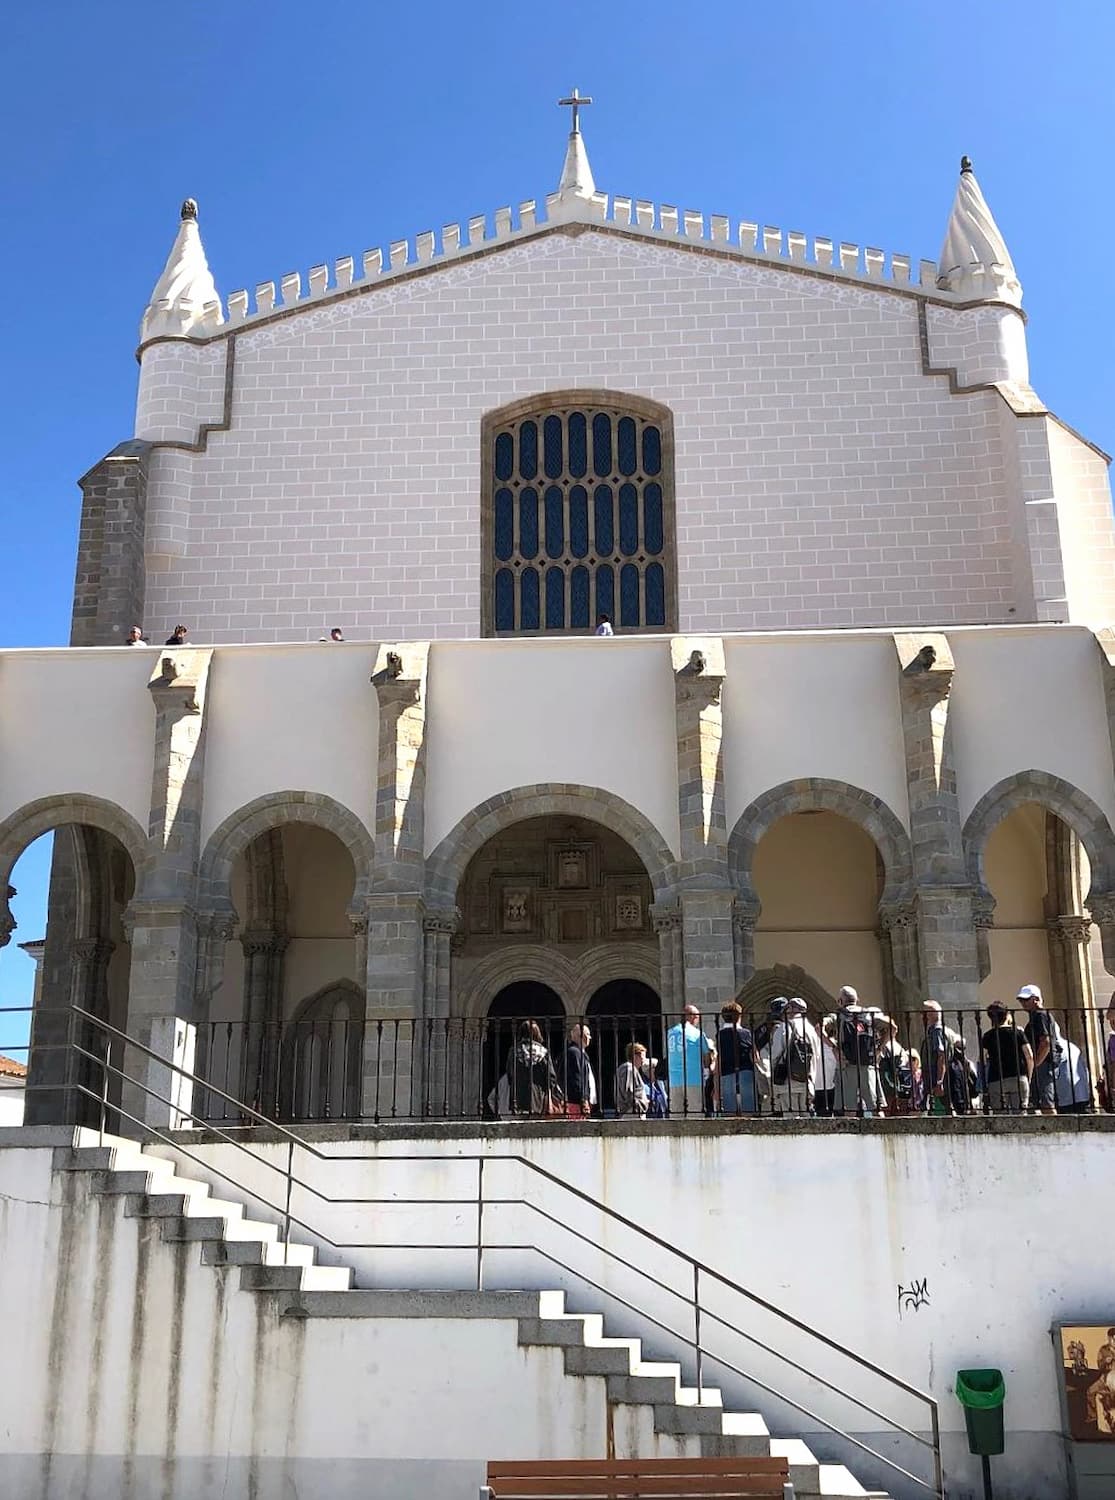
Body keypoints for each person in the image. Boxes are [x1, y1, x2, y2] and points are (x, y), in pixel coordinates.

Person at [832, 986, 883, 1116]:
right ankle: (882, 1131)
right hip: (867, 1064)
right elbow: (893, 1027)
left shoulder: (839, 1016)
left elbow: (819, 1027)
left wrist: (834, 1047)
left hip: (847, 1064)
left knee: (850, 1108)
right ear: (857, 999)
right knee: (876, 1107)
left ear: (840, 1001)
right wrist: (880, 1047)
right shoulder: (867, 1014)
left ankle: (851, 1135)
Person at [768, 997, 819, 1115]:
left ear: (790, 1009)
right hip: (807, 1080)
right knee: (806, 1119)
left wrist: (774, 1072)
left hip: (788, 1082)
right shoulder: (811, 1030)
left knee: (791, 1119)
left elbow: (775, 1055)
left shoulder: (784, 1028)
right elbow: (816, 1055)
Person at [980, 1003, 1032, 1114]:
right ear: (1007, 1014)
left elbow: (983, 1060)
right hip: (1018, 1076)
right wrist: (1029, 1077)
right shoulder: (1018, 1033)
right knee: (1021, 1115)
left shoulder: (988, 1036)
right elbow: (1029, 1056)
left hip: (996, 1078)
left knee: (1000, 1116)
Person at [666, 1004, 716, 1117]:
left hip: (674, 1080)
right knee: (695, 1114)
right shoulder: (697, 1033)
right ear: (692, 1017)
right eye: (698, 1017)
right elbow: (707, 1060)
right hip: (694, 1078)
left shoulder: (670, 1032)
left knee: (676, 1115)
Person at [504, 1020, 561, 1116]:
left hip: (518, 1097)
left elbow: (510, 1074)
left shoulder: (514, 1051)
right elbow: (550, 1078)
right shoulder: (543, 1052)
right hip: (537, 1098)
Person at [1018, 984, 1059, 1115]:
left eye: (1026, 1000)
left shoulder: (1040, 1016)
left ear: (1035, 999)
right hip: (1042, 1063)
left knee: (1046, 1102)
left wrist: (1035, 1063)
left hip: (1043, 1063)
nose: (1023, 1003)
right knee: (1041, 1101)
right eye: (1021, 1000)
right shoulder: (1037, 1016)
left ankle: (1054, 1131)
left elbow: (1045, 1042)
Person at [716, 1001, 756, 1116]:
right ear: (739, 1016)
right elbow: (755, 1056)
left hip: (726, 1073)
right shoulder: (746, 1033)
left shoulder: (720, 1034)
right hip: (746, 1072)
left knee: (729, 1112)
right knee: (748, 1111)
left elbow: (719, 1057)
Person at [919, 1000, 958, 1115]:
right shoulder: (943, 1031)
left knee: (941, 1110)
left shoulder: (937, 1031)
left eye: (923, 1012)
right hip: (938, 1079)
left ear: (932, 1014)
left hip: (937, 1079)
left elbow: (941, 1056)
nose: (921, 1016)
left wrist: (939, 1082)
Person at [876, 1017, 915, 1115]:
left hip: (887, 1083)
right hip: (899, 1084)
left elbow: (878, 1061)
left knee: (886, 1110)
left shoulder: (884, 1046)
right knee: (899, 1111)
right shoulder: (898, 1046)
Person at [562, 1022, 596, 1116]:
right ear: (581, 1036)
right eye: (588, 1034)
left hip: (581, 1101)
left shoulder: (580, 1053)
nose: (590, 1038)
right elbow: (577, 1078)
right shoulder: (575, 1053)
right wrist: (583, 1099)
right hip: (576, 1103)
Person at [1086, 1330, 1115, 1427]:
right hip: (1105, 1377)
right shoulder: (1103, 1350)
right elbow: (1100, 1366)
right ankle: (1093, 1416)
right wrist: (1105, 1362)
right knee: (1090, 1391)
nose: (1114, 1341)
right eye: (1112, 1339)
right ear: (1109, 1338)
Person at [614, 1041, 650, 1118]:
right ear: (635, 1056)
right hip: (632, 1113)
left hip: (632, 1111)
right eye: (643, 1056)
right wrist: (640, 1105)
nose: (644, 1060)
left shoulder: (629, 1068)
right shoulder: (629, 1068)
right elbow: (629, 1092)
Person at [946, 1036, 980, 1115]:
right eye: (958, 1047)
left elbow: (974, 1081)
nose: (960, 1051)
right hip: (959, 1102)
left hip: (968, 1101)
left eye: (962, 1047)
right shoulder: (952, 1064)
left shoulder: (967, 1063)